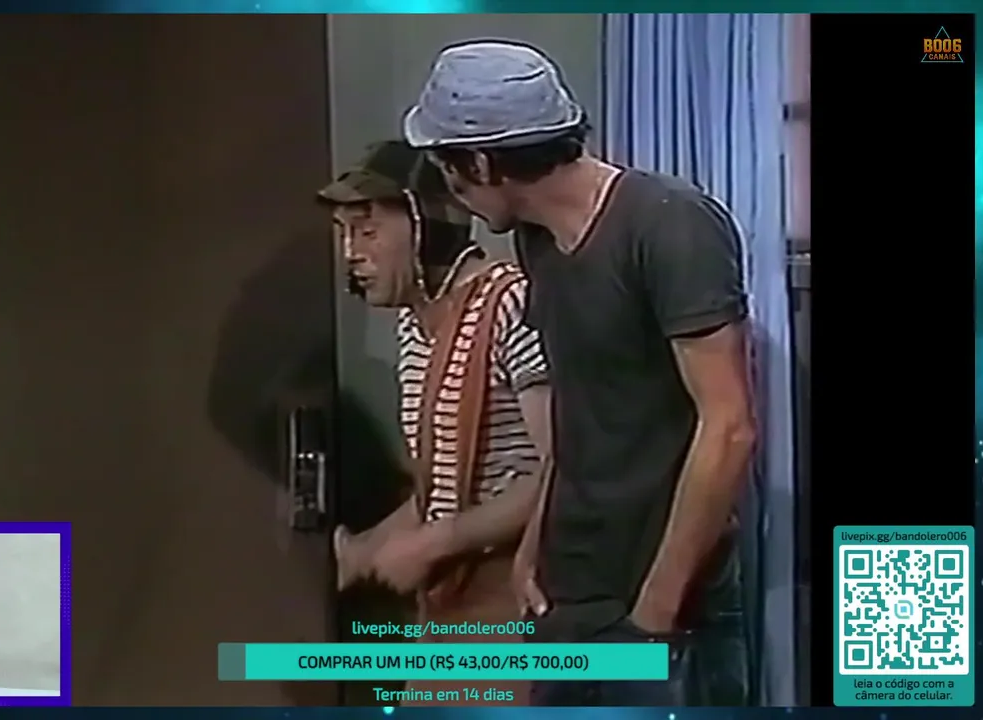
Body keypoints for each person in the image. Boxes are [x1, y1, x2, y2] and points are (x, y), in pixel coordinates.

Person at [403, 41, 757, 707]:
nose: (455, 196)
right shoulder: (535, 239)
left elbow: (729, 426)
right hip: (568, 592)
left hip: (662, 599)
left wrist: (654, 616)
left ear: (481, 163)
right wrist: (534, 547)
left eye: (450, 173)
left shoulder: (669, 224)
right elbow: (575, 408)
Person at [319, 140, 552, 707]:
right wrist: (369, 549)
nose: (352, 253)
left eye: (368, 231)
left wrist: (434, 543)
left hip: (521, 597)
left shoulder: (511, 304)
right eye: (344, 234)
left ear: (425, 223)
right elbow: (447, 484)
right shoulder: (415, 326)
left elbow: (564, 469)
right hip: (449, 603)